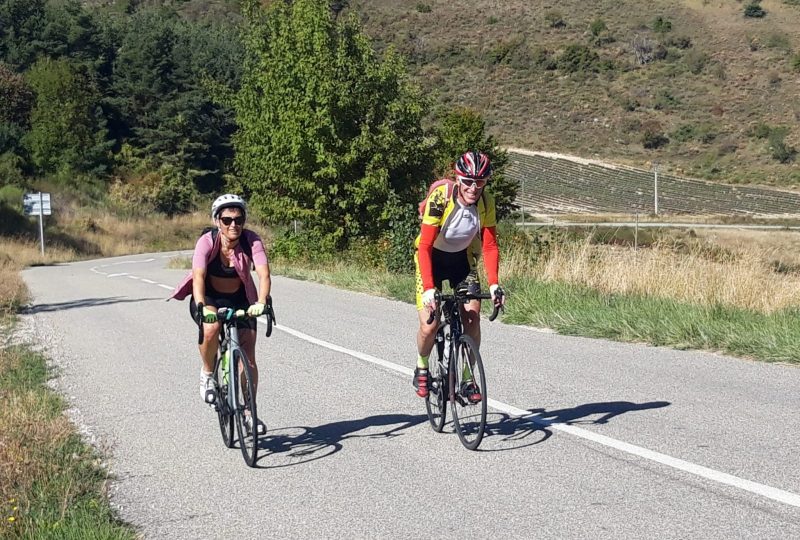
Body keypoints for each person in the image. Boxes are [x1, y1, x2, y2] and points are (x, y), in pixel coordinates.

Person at [170, 194, 271, 435]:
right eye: (227, 220)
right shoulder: (207, 241)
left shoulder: (251, 241)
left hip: (241, 298)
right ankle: (207, 372)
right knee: (212, 329)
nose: (233, 224)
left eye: (239, 219)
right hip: (210, 296)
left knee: (249, 358)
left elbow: (264, 275)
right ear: (218, 221)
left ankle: (249, 412)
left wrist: (261, 301)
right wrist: (203, 305)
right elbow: (199, 277)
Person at [413, 151, 505, 402]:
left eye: (481, 181)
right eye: (468, 181)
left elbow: (489, 246)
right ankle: (422, 366)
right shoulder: (441, 198)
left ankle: (467, 377)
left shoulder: (486, 202)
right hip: (431, 259)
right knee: (429, 325)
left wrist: (495, 283)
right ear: (458, 178)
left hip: (461, 261)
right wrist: (430, 287)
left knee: (473, 320)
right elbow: (424, 246)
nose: (474, 188)